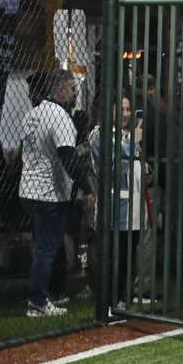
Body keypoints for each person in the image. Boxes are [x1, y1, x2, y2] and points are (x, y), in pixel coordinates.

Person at [18, 70, 94, 317]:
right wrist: (86, 188)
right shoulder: (59, 116)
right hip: (48, 191)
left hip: (28, 188)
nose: (75, 92)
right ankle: (38, 301)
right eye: (72, 87)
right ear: (60, 90)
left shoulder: (33, 114)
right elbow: (68, 156)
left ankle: (42, 297)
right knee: (47, 248)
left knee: (44, 246)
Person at [89, 94, 148, 312]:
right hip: (114, 208)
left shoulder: (126, 134)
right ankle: (107, 303)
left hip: (133, 206)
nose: (125, 114)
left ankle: (120, 300)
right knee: (113, 258)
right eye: (120, 109)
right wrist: (133, 143)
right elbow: (112, 170)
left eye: (128, 109)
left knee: (127, 258)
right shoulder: (100, 136)